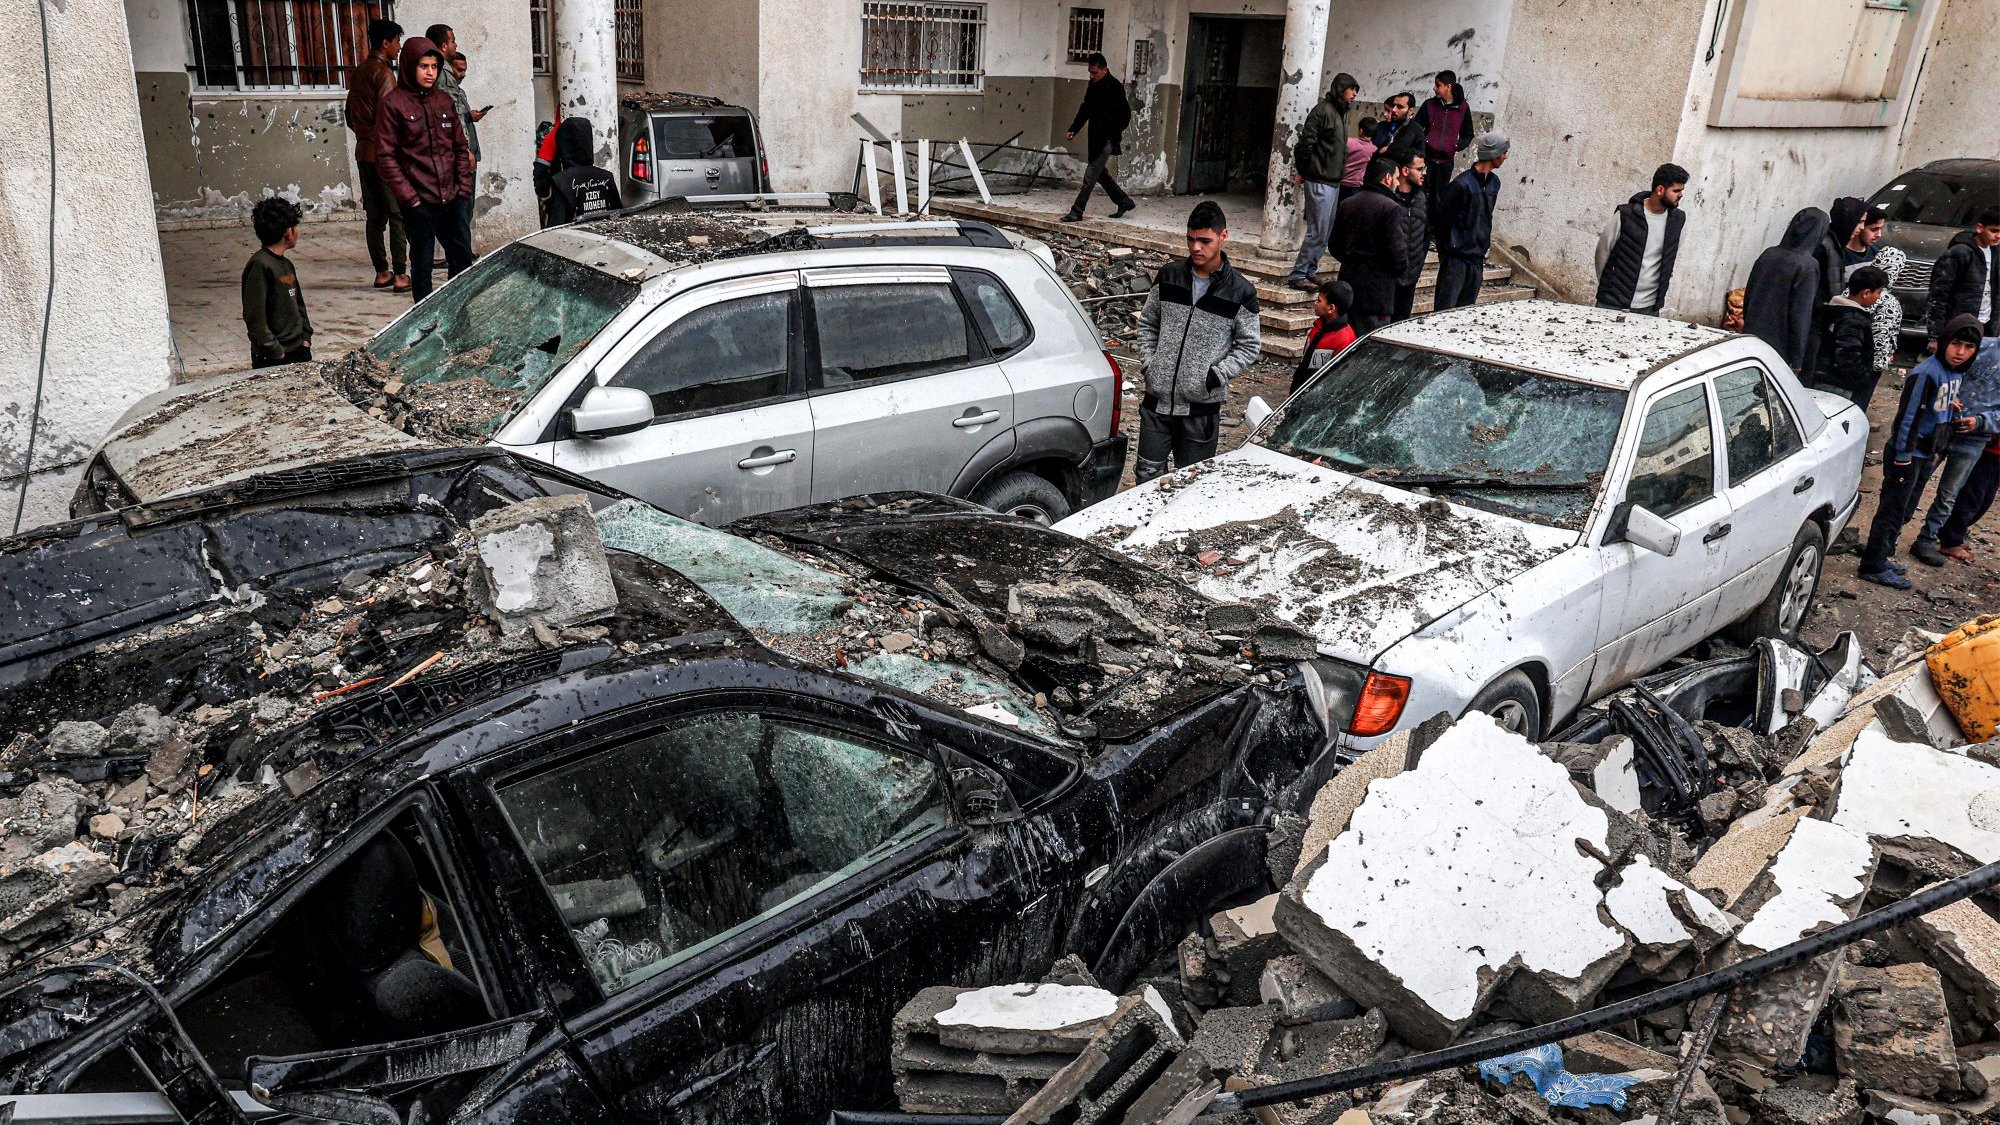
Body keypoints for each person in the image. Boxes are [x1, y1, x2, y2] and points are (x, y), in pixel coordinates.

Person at [1135, 201, 1261, 483]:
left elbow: (1249, 346)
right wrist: (1149, 363)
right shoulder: (1169, 276)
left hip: (1200, 410)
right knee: (1146, 477)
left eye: (1205, 240)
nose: (1195, 248)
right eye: (1191, 239)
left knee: (1191, 482)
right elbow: (1147, 323)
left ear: (1223, 237)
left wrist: (1215, 376)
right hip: (1156, 403)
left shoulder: (1240, 292)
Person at [1858, 315, 1983, 587]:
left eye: (1969, 347)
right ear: (1944, 342)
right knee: (1891, 510)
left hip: (1927, 453)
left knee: (1905, 509)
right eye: (1956, 344)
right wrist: (1903, 458)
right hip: (1909, 454)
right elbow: (1908, 419)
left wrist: (1950, 405)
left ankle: (1883, 554)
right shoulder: (1926, 373)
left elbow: (1938, 404)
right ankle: (1873, 564)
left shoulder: (1954, 372)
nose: (1961, 352)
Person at [374, 36, 475, 302]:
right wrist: (410, 199)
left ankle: (458, 313)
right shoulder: (393, 104)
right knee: (422, 266)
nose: (430, 72)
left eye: (434, 66)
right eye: (423, 66)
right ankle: (424, 323)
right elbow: (386, 157)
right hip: (420, 201)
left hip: (452, 198)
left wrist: (463, 188)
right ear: (409, 66)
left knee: (463, 259)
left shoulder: (443, 101)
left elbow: (459, 147)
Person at [1911, 330, 2000, 567]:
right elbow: (1947, 367)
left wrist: (1980, 421)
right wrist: (1950, 394)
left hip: (1976, 437)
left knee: (1950, 492)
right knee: (1916, 480)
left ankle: (1927, 539)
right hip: (1943, 426)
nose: (1961, 350)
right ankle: (1891, 534)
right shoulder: (1982, 347)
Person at [344, 18, 407, 292]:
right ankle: (402, 274)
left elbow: (349, 114)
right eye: (397, 42)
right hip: (384, 154)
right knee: (396, 214)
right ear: (386, 43)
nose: (399, 47)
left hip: (363, 152)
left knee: (374, 216)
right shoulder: (383, 74)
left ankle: (382, 272)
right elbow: (390, 118)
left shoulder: (358, 72)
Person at [1285, 72, 1359, 291]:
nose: (1354, 94)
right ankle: (1298, 273)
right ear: (1341, 89)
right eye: (1352, 89)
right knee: (1317, 230)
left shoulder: (1339, 113)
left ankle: (1310, 271)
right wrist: (1308, 171)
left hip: (1332, 180)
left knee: (1325, 231)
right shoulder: (1323, 112)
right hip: (1320, 179)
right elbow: (1305, 145)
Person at [1740, 208, 1829, 372]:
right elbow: (1800, 314)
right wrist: (1797, 358)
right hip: (1780, 348)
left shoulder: (1769, 254)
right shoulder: (1807, 266)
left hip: (1751, 337)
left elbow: (1749, 295)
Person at [1594, 164, 1688, 315]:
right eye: (1676, 190)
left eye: (1681, 190)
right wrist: (1611, 287)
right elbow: (1602, 253)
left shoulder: (1678, 221)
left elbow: (1671, 255)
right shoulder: (1625, 215)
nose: (1681, 195)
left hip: (1650, 308)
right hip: (1612, 303)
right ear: (1660, 190)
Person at [1330, 157, 1409, 333]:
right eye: (1396, 178)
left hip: (1349, 283)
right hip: (1377, 292)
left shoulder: (1348, 203)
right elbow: (1398, 252)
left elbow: (1335, 244)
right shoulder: (1391, 208)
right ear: (1387, 178)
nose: (1397, 182)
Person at [1432, 132, 1507, 311]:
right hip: (1456, 259)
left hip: (1476, 259)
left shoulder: (1494, 183)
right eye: (1503, 152)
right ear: (1493, 153)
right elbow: (1442, 223)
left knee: (1465, 311)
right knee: (1444, 312)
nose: (1505, 157)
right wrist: (1450, 251)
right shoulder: (1461, 185)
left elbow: (1485, 217)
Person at [425, 25, 481, 255]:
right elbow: (451, 115)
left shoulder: (437, 73)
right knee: (460, 210)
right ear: (443, 46)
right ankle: (461, 257)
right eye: (453, 40)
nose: (455, 45)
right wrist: (464, 150)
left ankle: (458, 255)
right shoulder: (443, 74)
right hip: (452, 155)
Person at [1060, 53, 1134, 223]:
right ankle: (1124, 201)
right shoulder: (1093, 85)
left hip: (1107, 139)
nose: (1091, 76)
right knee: (1100, 174)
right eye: (1090, 72)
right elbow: (1086, 108)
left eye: (1094, 73)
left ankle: (1077, 211)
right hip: (1095, 137)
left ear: (1104, 70)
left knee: (1090, 175)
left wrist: (1113, 132)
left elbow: (1125, 115)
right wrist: (1074, 128)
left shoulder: (1115, 87)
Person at [241, 197, 312, 369]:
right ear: (288, 232)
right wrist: (275, 350)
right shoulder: (260, 265)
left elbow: (298, 304)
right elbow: (255, 316)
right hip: (275, 357)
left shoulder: (286, 264)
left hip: (298, 349)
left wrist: (305, 337)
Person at [1810, 265, 1889, 402]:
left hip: (1823, 377)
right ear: (1866, 293)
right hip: (1838, 384)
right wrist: (1863, 378)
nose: (1879, 297)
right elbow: (1847, 353)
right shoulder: (1853, 319)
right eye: (1878, 292)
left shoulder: (1834, 311)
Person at [1925, 206, 2000, 346]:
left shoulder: (1996, 253)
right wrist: (1935, 336)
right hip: (1958, 326)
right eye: (1994, 231)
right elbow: (1939, 295)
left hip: (1986, 327)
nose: (1998, 236)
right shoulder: (1959, 253)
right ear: (1980, 228)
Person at [1411, 71, 1476, 223]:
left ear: (1448, 86)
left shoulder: (1463, 108)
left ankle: (1433, 234)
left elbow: (1468, 134)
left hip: (1446, 162)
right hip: (1426, 159)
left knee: (1439, 198)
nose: (1434, 88)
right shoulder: (1429, 105)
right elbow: (1415, 128)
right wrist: (1422, 145)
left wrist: (1455, 146)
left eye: (1438, 85)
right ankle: (1419, 226)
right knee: (1421, 194)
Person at [536, 118, 620, 225]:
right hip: (603, 237)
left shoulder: (561, 181)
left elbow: (556, 227)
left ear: (563, 144)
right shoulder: (606, 177)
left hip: (576, 239)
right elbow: (619, 217)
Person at [1935, 432, 2000, 564]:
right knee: (1972, 497)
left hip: (1996, 453)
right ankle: (1950, 540)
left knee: (1985, 499)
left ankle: (1954, 533)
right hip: (1987, 449)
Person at [1291, 280, 1356, 394]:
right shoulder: (1319, 326)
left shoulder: (1345, 340)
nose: (1315, 303)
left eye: (1319, 301)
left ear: (1331, 308)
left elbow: (1338, 381)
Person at [1870, 246, 1907, 374]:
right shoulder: (1888, 303)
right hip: (1870, 365)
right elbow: (1881, 334)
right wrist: (1881, 363)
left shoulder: (1857, 289)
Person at [1342, 119, 1378, 190]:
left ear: (1361, 131)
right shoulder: (1374, 149)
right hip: (1356, 185)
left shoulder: (1348, 142)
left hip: (1341, 181)